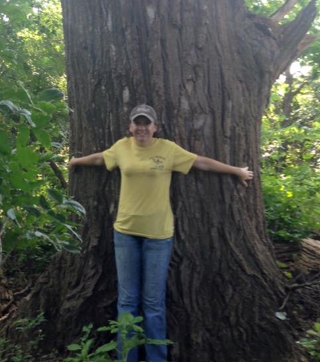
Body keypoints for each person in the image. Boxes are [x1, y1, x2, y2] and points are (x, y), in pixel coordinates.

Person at [69, 104, 253, 362]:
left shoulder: (167, 149)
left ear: (155, 127)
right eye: (137, 123)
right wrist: (76, 161)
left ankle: (156, 358)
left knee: (153, 303)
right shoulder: (122, 147)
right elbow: (100, 159)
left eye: (147, 123)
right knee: (127, 301)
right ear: (130, 127)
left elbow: (200, 162)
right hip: (125, 233)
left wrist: (235, 171)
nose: (142, 127)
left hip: (158, 236)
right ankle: (127, 358)